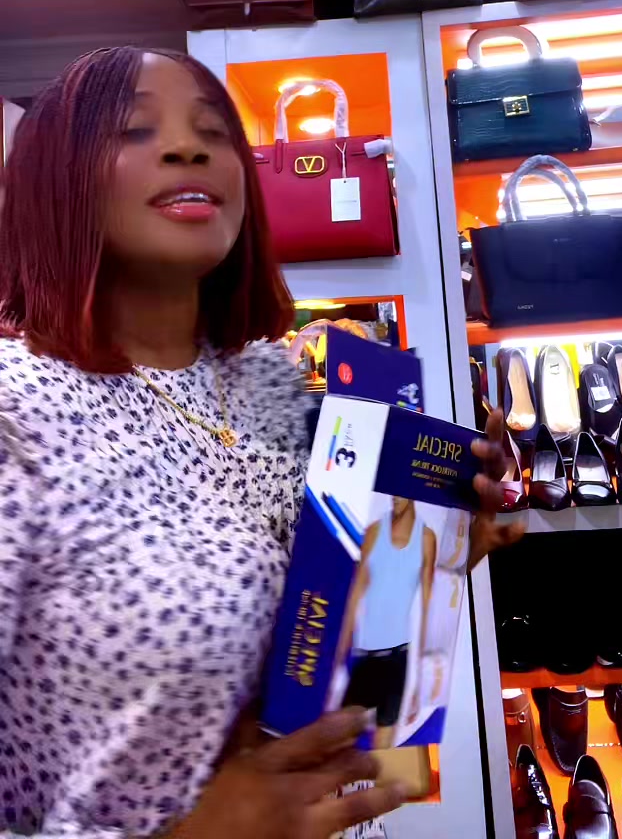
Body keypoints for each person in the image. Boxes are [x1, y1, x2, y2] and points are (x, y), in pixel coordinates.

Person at [0, 46, 521, 839]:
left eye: (215, 132)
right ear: (51, 180)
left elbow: (314, 630)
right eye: (135, 128)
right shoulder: (18, 409)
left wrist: (426, 553)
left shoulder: (267, 382)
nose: (189, 148)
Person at [337, 497, 436, 749]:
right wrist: (336, 656)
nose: (396, 498)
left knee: (382, 750)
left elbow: (427, 608)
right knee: (338, 741)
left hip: (398, 657)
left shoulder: (426, 539)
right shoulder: (373, 532)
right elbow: (356, 592)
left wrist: (419, 685)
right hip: (364, 656)